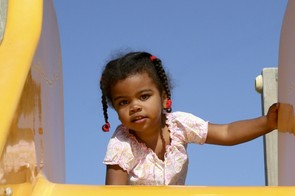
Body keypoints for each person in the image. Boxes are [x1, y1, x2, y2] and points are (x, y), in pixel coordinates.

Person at [100, 51, 279, 185]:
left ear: (163, 98)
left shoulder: (179, 125)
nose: (135, 106)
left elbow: (226, 132)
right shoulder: (122, 145)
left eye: (144, 96)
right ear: (115, 109)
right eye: (123, 102)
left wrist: (268, 122)